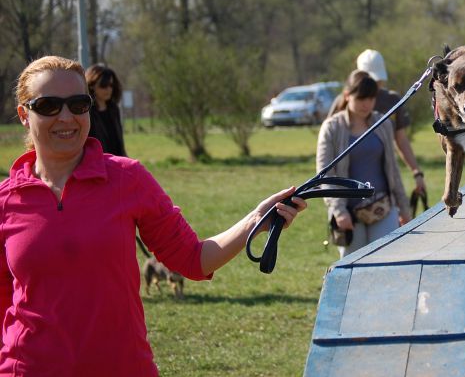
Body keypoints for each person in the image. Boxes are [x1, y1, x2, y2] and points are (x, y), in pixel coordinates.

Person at [0, 55, 306, 377]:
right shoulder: (6, 201)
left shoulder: (127, 179)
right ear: (24, 115)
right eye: (49, 106)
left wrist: (256, 219)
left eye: (78, 104)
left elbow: (193, 257)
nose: (66, 117)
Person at [318, 70, 411, 258]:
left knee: (387, 261)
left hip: (384, 208)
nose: (366, 104)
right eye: (361, 98)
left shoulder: (383, 123)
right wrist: (339, 211)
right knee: (353, 268)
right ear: (347, 95)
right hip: (350, 214)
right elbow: (324, 174)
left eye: (371, 98)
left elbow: (393, 170)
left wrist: (404, 208)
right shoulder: (332, 127)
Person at [355, 49, 427, 196]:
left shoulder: (392, 100)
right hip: (354, 180)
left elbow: (401, 140)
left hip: (387, 177)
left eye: (377, 80)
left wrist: (416, 172)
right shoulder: (346, 102)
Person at [85, 63, 127, 157]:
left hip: (116, 162)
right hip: (97, 164)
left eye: (111, 85)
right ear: (91, 85)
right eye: (103, 85)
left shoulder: (114, 109)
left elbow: (120, 142)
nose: (108, 89)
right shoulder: (86, 112)